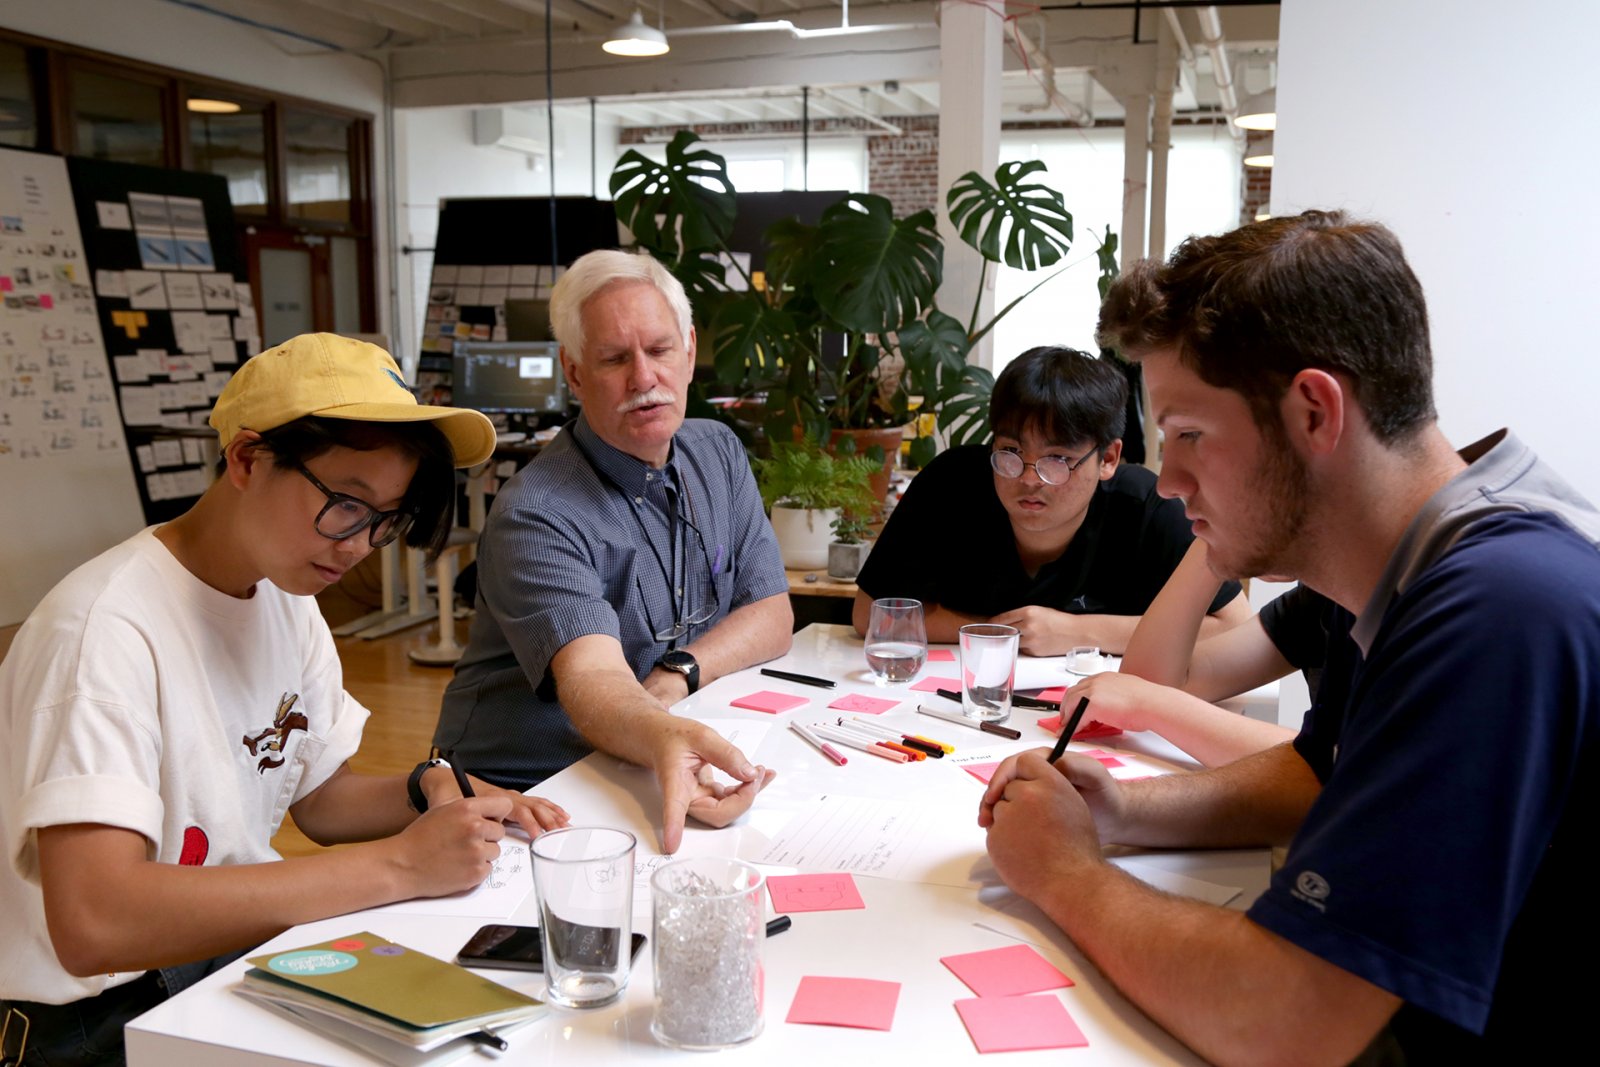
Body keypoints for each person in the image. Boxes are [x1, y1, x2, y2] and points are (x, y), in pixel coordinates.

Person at [981, 211, 1600, 1062]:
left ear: (1314, 411)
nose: (1167, 483)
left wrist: (1067, 873)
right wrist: (1122, 810)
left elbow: (1289, 1019)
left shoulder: (1499, 606)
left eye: (1190, 435)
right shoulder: (1397, 564)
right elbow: (1325, 773)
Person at [0, 334, 569, 1067]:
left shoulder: (286, 595)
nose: (360, 545)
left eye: (384, 519)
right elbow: (94, 920)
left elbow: (318, 800)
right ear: (245, 458)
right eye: (345, 504)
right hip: (93, 1021)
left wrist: (428, 789)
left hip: (228, 954)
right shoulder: (102, 631)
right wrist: (398, 866)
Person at [433, 250, 792, 854]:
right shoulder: (537, 508)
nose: (644, 378)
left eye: (659, 350)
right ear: (574, 374)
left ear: (690, 351)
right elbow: (594, 679)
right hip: (523, 795)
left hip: (649, 757)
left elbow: (772, 613)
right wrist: (664, 732)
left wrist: (677, 677)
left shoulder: (718, 452)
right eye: (614, 359)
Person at [854, 345, 1247, 655]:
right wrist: (1002, 632)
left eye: (1057, 460)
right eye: (1010, 451)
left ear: (1107, 459)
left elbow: (1234, 627)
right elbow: (869, 614)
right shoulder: (952, 484)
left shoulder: (1144, 506)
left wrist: (1078, 631)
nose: (1028, 478)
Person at [1057, 539, 1310, 766]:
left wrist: (1149, 705)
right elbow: (1147, 681)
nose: (1171, 491)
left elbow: (1329, 764)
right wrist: (1212, 539)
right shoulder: (1317, 604)